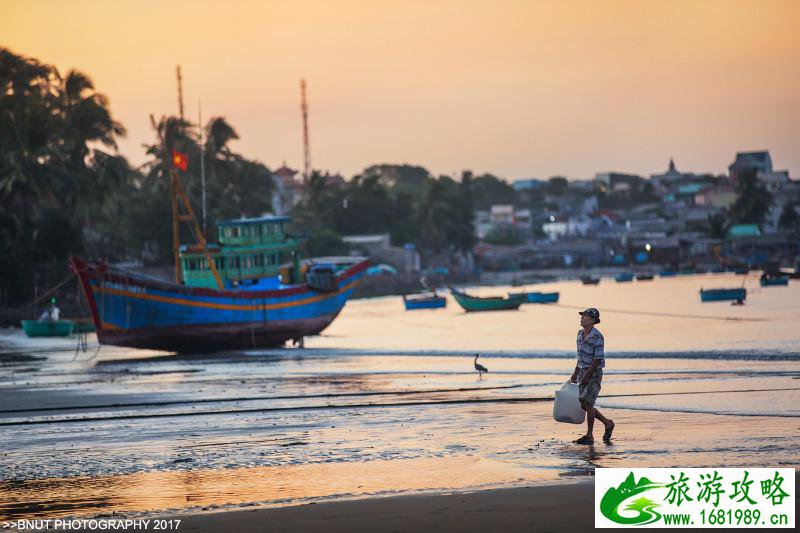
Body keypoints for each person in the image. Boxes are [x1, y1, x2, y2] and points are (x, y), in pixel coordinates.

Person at [569, 307, 614, 445]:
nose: (582, 318)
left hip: (594, 372)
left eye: (585, 317)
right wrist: (576, 373)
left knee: (589, 403)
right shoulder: (579, 334)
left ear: (593, 321)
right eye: (582, 316)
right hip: (583, 370)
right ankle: (607, 423)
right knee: (583, 404)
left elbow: (598, 359)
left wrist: (588, 376)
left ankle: (589, 435)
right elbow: (580, 356)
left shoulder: (597, 336)